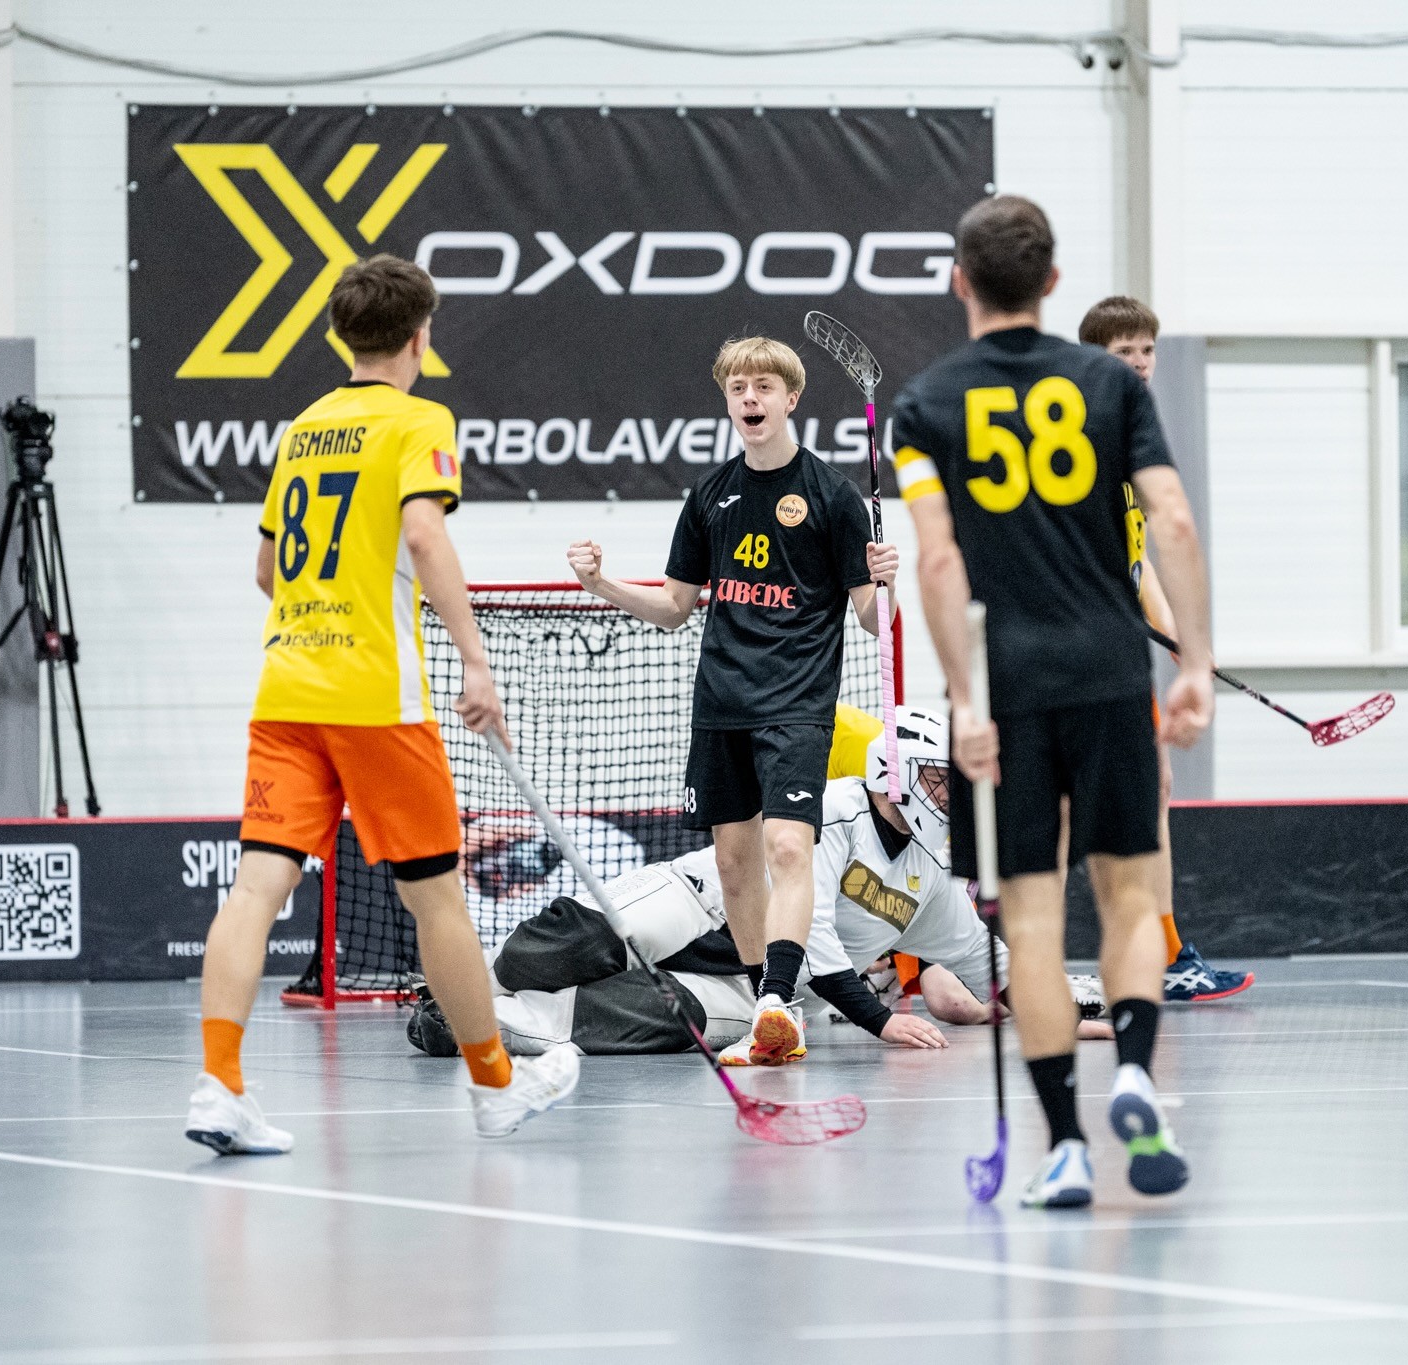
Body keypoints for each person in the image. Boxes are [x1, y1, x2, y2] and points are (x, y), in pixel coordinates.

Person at [185, 254, 580, 1155]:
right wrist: (475, 662)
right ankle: (495, 1086)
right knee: (436, 898)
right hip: (377, 701)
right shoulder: (418, 419)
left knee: (256, 886)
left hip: (287, 689)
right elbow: (424, 533)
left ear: (340, 337)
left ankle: (220, 1083)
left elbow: (266, 568)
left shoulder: (304, 426)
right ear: (420, 338)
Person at [896, 195, 1216, 1209]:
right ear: (1051, 282)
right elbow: (1170, 519)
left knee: (1031, 922)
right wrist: (1197, 662)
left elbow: (936, 562)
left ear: (960, 281)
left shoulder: (923, 405)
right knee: (1131, 893)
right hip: (1112, 674)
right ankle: (1135, 1074)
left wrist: (963, 698)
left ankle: (1068, 1147)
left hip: (1007, 689)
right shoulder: (1110, 385)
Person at [404, 708, 1109, 1059]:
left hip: (755, 988)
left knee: (652, 1022)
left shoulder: (931, 878)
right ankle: (469, 981)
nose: (948, 797)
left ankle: (466, 1023)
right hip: (704, 904)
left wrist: (1066, 1015)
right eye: (937, 780)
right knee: (567, 943)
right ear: (893, 774)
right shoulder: (834, 810)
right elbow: (814, 931)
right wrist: (879, 1019)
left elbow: (992, 964)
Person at [567, 337, 897, 1067]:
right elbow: (674, 607)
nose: (750, 398)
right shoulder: (710, 494)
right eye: (738, 388)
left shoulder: (834, 496)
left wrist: (887, 581)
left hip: (797, 704)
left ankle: (779, 1000)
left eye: (764, 387)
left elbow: (875, 621)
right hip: (721, 703)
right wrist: (601, 585)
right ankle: (766, 1012)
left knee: (789, 847)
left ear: (791, 399)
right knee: (734, 864)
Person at [1077, 296, 1253, 1005]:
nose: (1140, 363)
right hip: (1083, 654)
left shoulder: (1128, 436)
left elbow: (1137, 558)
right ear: (1094, 360)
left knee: (1153, 792)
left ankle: (1169, 952)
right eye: (1124, 351)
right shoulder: (1083, 443)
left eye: (1146, 349)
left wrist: (1177, 636)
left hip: (1120, 648)